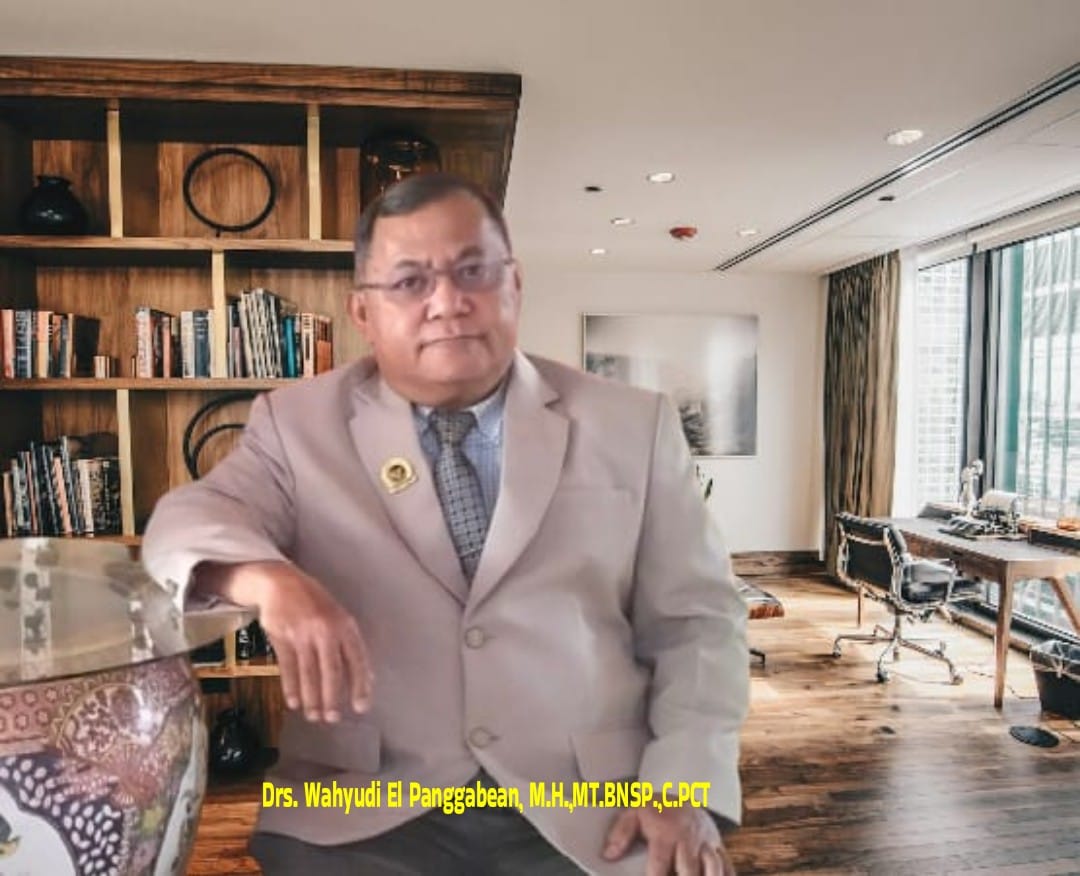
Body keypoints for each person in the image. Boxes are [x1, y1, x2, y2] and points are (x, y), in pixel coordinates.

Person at [142, 173, 749, 875]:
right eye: (409, 282)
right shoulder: (296, 423)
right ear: (363, 312)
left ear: (514, 282)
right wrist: (267, 581)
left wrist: (682, 785)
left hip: (590, 800)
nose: (448, 303)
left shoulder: (631, 423)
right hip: (365, 802)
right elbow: (183, 522)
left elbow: (697, 622)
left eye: (473, 271)